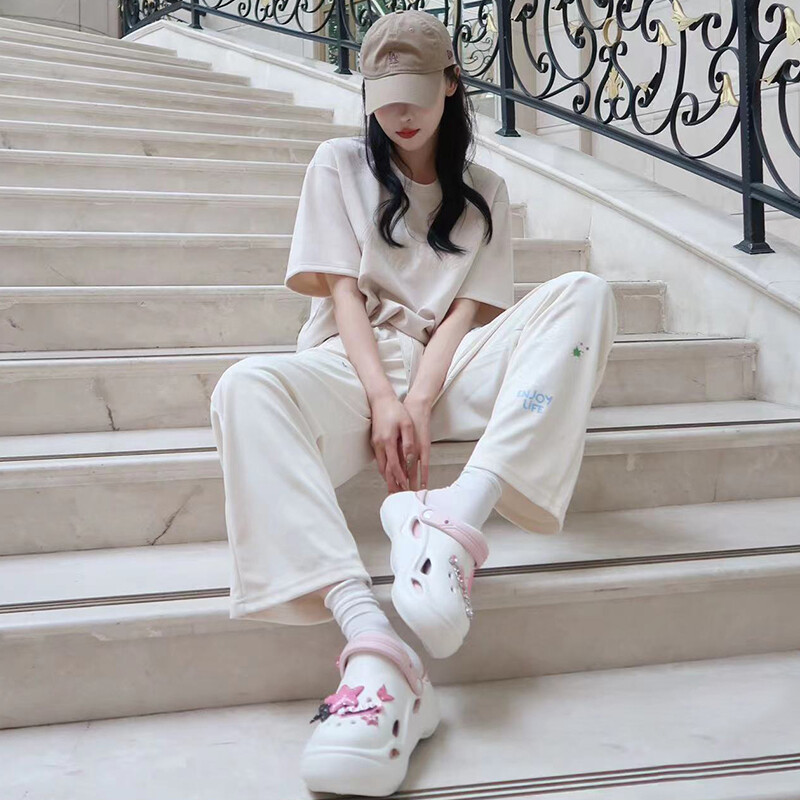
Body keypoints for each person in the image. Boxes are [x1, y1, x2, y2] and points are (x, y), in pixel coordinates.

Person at [209, 9, 618, 797]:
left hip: (450, 367)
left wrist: (421, 399)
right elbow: (342, 293)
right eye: (384, 98)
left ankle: (457, 517)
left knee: (584, 295)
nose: (399, 114)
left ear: (451, 86)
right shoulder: (338, 164)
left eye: (415, 96)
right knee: (244, 386)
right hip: (351, 363)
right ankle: (372, 641)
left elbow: (466, 314)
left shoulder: (486, 190)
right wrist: (382, 397)